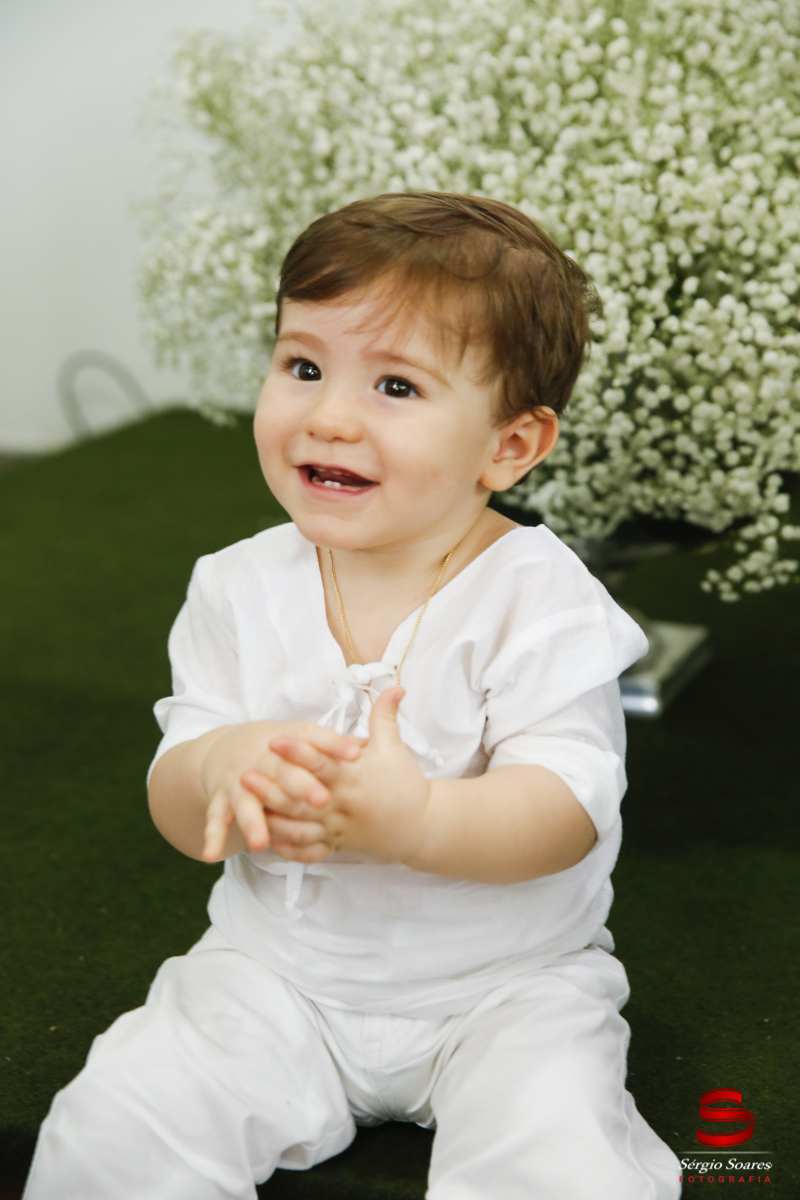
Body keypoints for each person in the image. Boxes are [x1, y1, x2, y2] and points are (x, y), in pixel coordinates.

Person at [23, 193, 681, 1199]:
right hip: (271, 975)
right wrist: (218, 768)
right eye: (302, 367)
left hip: (508, 989)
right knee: (119, 1125)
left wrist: (418, 822)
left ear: (509, 446)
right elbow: (179, 798)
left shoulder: (539, 599)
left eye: (395, 386)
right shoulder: (236, 587)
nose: (327, 416)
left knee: (554, 1158)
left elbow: (566, 810)